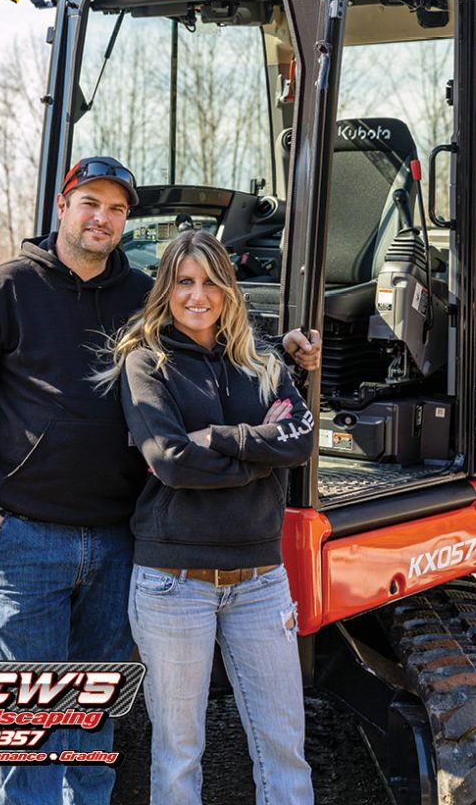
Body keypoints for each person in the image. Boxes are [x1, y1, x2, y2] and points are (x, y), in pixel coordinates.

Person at [0, 156, 320, 805]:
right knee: (27, 735)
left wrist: (286, 351)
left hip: (118, 543)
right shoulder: (3, 291)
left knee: (93, 730)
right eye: (90, 203)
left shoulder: (141, 294)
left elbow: (212, 335)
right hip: (23, 541)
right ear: (62, 207)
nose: (103, 218)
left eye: (116, 209)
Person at [103, 229, 314, 805]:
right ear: (166, 290)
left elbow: (299, 440)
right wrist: (260, 455)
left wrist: (220, 438)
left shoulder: (262, 360)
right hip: (174, 583)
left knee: (284, 750)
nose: (198, 296)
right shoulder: (147, 363)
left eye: (211, 283)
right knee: (178, 755)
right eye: (184, 282)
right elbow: (171, 462)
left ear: (229, 290)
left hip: (262, 583)